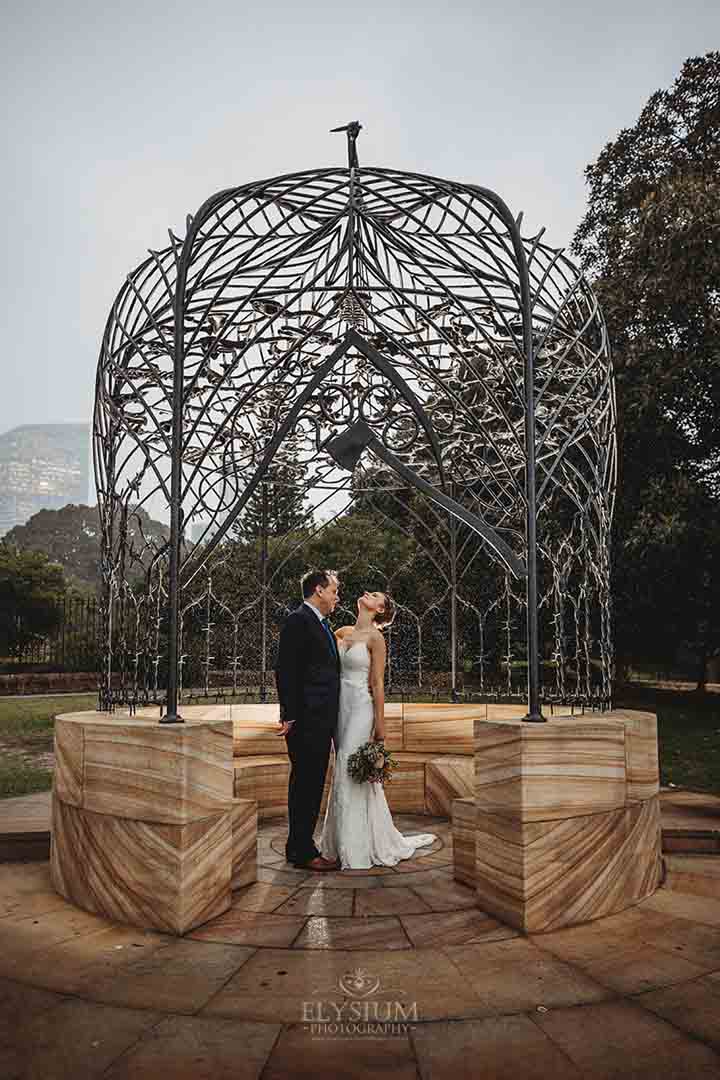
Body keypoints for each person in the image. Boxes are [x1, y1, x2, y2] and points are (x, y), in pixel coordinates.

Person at [319, 590, 436, 869]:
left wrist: (380, 724)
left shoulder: (376, 638)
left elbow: (378, 683)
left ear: (381, 609)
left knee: (349, 763)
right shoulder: (342, 631)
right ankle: (341, 842)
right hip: (340, 707)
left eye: (374, 596)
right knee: (342, 767)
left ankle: (355, 849)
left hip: (361, 707)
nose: (367, 594)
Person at [274, 569, 342, 871]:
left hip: (320, 719)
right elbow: (285, 670)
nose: (337, 597)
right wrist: (289, 715)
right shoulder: (298, 619)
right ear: (319, 590)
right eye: (334, 591)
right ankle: (302, 851)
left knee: (311, 784)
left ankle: (298, 847)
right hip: (305, 721)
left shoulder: (320, 623)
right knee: (306, 786)